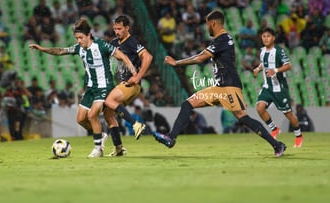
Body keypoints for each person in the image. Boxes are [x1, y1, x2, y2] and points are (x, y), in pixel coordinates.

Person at [153, 10, 287, 157]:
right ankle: (171, 138)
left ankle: (276, 145)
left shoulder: (223, 39)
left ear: (214, 23)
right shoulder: (222, 40)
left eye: (207, 25)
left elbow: (200, 58)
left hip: (229, 86)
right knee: (188, 103)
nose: (207, 28)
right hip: (219, 87)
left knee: (243, 117)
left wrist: (176, 62)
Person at [29, 17, 138, 158]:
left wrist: (133, 70)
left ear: (88, 35)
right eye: (76, 38)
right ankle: (101, 135)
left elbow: (121, 55)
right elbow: (60, 51)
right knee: (80, 119)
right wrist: (42, 49)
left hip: (104, 87)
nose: (78, 41)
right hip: (91, 89)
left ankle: (98, 149)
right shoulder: (79, 48)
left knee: (92, 115)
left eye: (81, 37)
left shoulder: (101, 45)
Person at [103, 15, 153, 156]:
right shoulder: (113, 42)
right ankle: (119, 148)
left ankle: (136, 124)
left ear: (127, 28)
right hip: (121, 85)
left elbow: (148, 57)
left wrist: (137, 76)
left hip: (131, 84)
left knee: (109, 101)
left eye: (119, 29)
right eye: (115, 29)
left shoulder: (131, 42)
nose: (117, 32)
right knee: (108, 114)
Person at [253, 27, 303, 148]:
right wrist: (258, 69)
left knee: (289, 115)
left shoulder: (279, 51)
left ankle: (298, 135)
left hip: (279, 88)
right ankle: (274, 128)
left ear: (273, 38)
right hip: (267, 87)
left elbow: (288, 65)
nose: (265, 38)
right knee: (259, 108)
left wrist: (275, 70)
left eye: (268, 36)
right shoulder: (262, 51)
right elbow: (263, 63)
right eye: (263, 36)